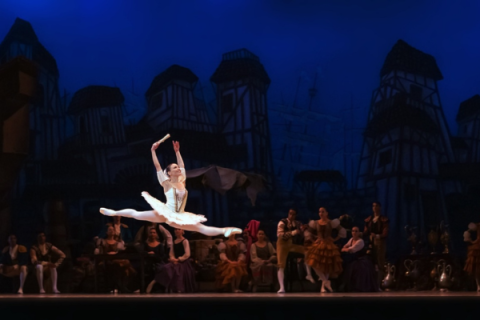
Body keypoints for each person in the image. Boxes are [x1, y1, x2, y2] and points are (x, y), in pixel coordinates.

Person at [100, 140, 241, 237]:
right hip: (166, 213)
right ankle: (113, 212)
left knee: (201, 228)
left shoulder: (182, 181)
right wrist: (153, 151)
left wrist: (177, 152)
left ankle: (225, 231)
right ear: (168, 173)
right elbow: (157, 166)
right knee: (137, 214)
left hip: (180, 215)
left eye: (177, 167)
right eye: (174, 168)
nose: (178, 168)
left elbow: (183, 166)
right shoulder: (166, 183)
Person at [305, 207, 346, 293]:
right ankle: (326, 281)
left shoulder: (331, 222)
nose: (321, 213)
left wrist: (334, 239)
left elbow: (341, 230)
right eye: (319, 212)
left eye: (323, 212)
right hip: (319, 244)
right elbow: (308, 232)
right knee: (313, 263)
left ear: (327, 213)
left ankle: (323, 287)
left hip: (328, 244)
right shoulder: (315, 223)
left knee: (327, 265)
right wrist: (314, 240)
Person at [276, 208, 314, 293]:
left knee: (307, 251)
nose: (291, 216)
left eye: (293, 214)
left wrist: (302, 230)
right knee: (281, 265)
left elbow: (300, 232)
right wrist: (294, 232)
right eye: (290, 213)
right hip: (282, 244)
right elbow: (280, 235)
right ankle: (282, 287)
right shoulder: (282, 222)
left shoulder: (296, 223)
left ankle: (308, 274)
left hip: (291, 245)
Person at [152, 228, 197, 293]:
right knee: (166, 267)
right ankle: (158, 282)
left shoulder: (185, 241)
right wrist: (173, 259)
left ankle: (178, 288)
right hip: (175, 261)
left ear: (182, 231)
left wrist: (178, 259)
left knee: (177, 271)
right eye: (175, 229)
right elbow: (171, 253)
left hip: (183, 262)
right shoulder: (174, 241)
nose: (177, 231)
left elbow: (187, 254)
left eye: (178, 229)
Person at [95, 225, 135, 293]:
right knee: (124, 265)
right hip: (107, 261)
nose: (111, 231)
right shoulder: (103, 242)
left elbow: (121, 253)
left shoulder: (118, 243)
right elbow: (100, 252)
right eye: (109, 230)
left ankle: (122, 286)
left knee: (124, 266)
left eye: (112, 230)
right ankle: (122, 286)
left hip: (116, 260)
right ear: (106, 232)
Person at [340, 226, 378, 292]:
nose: (354, 232)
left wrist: (346, 249)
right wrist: (346, 249)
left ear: (359, 233)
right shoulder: (351, 239)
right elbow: (343, 248)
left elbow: (351, 250)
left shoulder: (360, 241)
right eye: (353, 231)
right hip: (353, 258)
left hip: (360, 260)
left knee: (356, 268)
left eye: (356, 231)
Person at [363, 201, 389, 284]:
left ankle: (380, 283)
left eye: (376, 206)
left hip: (379, 241)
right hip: (371, 241)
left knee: (380, 260)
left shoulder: (383, 219)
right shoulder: (369, 219)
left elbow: (385, 233)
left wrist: (377, 236)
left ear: (379, 207)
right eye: (373, 206)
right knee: (371, 260)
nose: (374, 208)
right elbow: (365, 232)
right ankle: (372, 282)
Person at [464, 222, 480, 292]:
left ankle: (478, 285)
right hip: (478, 247)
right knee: (476, 268)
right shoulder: (478, 225)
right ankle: (478, 285)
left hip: (477, 246)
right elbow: (468, 231)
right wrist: (470, 240)